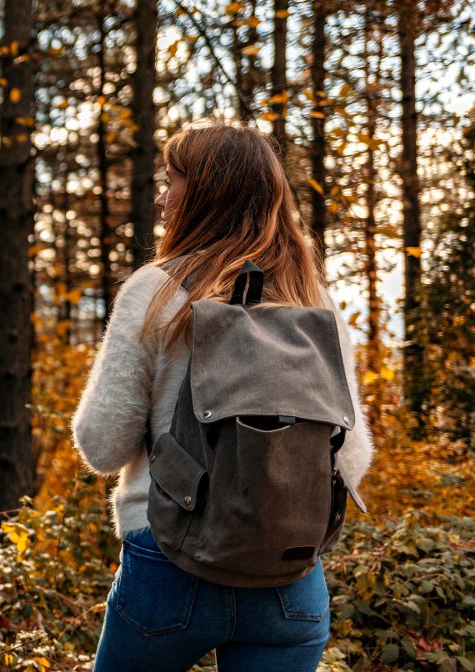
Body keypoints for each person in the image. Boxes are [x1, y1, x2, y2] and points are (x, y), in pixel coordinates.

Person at [71, 122, 374, 672]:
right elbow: (351, 458)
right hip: (289, 577)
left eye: (173, 181)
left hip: (168, 562)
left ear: (208, 193)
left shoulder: (156, 289)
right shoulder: (315, 301)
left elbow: (101, 447)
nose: (162, 198)